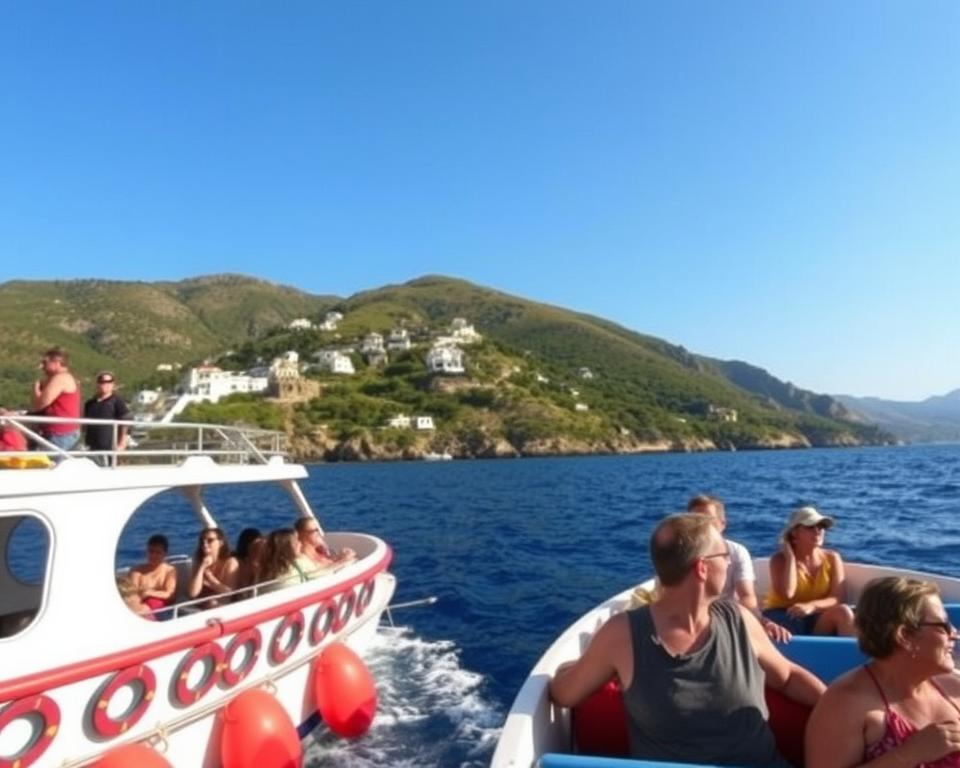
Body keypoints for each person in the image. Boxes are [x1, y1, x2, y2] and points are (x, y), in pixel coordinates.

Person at [549, 513, 825, 765]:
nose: (729, 561)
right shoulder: (624, 633)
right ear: (702, 568)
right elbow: (563, 694)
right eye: (725, 554)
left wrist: (838, 708)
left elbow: (787, 677)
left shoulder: (738, 618)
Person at [806, 576, 960, 768]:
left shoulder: (953, 687)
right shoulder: (846, 702)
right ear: (904, 635)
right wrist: (908, 755)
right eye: (944, 626)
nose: (955, 633)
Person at [687, 494, 791, 643]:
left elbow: (746, 596)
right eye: (696, 520)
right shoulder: (680, 555)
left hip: (727, 617)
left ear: (722, 524)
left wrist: (760, 622)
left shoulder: (736, 552)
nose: (701, 526)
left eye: (708, 520)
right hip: (690, 619)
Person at [763, 506, 856, 636]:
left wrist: (812, 606)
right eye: (810, 527)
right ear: (794, 532)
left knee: (843, 612)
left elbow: (838, 598)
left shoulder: (832, 558)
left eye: (821, 527)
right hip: (783, 615)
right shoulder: (779, 560)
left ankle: (850, 655)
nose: (818, 531)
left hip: (815, 613)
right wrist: (791, 558)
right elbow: (787, 594)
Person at [31, 346, 81, 453]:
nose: (42, 366)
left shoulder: (60, 378)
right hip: (59, 433)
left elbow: (40, 404)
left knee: (53, 468)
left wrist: (36, 388)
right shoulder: (62, 378)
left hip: (59, 434)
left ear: (56, 362)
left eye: (45, 362)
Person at [83, 371, 131, 464]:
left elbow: (126, 423)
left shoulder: (117, 402)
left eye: (109, 381)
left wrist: (121, 445)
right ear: (97, 384)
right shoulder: (89, 404)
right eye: (102, 381)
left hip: (110, 449)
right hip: (92, 448)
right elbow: (84, 426)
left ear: (113, 384)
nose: (105, 384)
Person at [186, 527, 239, 607]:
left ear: (221, 543)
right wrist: (202, 568)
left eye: (210, 540)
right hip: (202, 602)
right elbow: (193, 593)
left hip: (222, 603)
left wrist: (209, 578)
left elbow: (229, 593)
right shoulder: (198, 560)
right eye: (202, 541)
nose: (205, 544)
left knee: (212, 602)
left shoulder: (231, 562)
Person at [129, 534, 177, 617]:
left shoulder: (169, 571)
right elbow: (132, 595)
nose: (153, 555)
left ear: (165, 554)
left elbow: (170, 595)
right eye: (151, 551)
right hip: (140, 608)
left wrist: (149, 593)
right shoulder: (137, 571)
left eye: (158, 552)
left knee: (153, 602)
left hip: (162, 610)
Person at [234, 527, 266, 596]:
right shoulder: (241, 563)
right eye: (255, 547)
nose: (259, 549)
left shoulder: (263, 559)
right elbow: (244, 592)